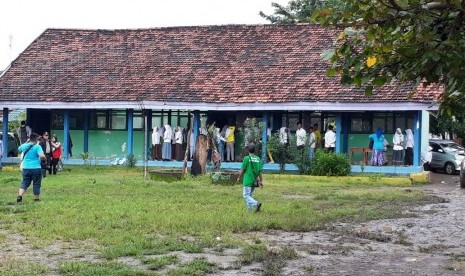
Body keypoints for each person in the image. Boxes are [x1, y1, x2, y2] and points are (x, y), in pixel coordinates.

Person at [17, 132, 46, 203]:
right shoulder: (37, 147)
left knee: (25, 182)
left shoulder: (25, 146)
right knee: (36, 183)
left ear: (29, 139)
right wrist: (45, 158)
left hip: (26, 167)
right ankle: (36, 199)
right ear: (36, 139)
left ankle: (20, 196)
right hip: (36, 168)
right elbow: (41, 156)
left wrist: (26, 142)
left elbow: (19, 148)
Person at [237, 143, 263, 212]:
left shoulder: (246, 158)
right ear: (255, 150)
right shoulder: (258, 159)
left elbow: (243, 169)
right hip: (254, 181)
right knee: (250, 196)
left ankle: (256, 203)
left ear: (248, 150)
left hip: (247, 181)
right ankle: (249, 210)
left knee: (246, 195)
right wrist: (261, 181)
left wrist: (239, 177)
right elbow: (260, 171)